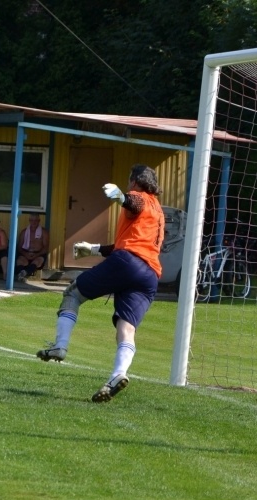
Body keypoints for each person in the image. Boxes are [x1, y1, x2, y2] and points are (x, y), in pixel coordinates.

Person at [36, 164, 165, 403]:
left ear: (135, 180)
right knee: (126, 328)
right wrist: (94, 249)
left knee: (73, 294)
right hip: (149, 275)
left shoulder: (139, 197)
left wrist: (120, 196)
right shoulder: (158, 210)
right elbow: (131, 241)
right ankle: (118, 374)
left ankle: (60, 346)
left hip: (128, 262)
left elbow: (133, 204)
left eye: (129, 181)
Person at [15, 213, 49, 281]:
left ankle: (23, 273)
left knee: (37, 262)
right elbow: (19, 247)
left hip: (38, 254)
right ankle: (22, 273)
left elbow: (45, 248)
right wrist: (25, 254)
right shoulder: (24, 232)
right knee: (19, 261)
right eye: (32, 220)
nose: (34, 222)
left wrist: (37, 254)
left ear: (39, 221)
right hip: (25, 253)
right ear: (29, 221)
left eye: (36, 220)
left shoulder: (44, 232)